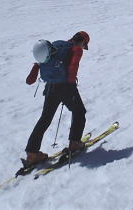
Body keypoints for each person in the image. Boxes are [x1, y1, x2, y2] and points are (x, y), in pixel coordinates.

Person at [23, 31, 90, 165]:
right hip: (65, 87)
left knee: (45, 118)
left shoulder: (57, 46)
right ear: (83, 42)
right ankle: (75, 143)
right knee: (79, 111)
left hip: (50, 87)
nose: (83, 48)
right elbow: (73, 67)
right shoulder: (76, 49)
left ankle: (32, 153)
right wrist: (71, 86)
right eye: (85, 45)